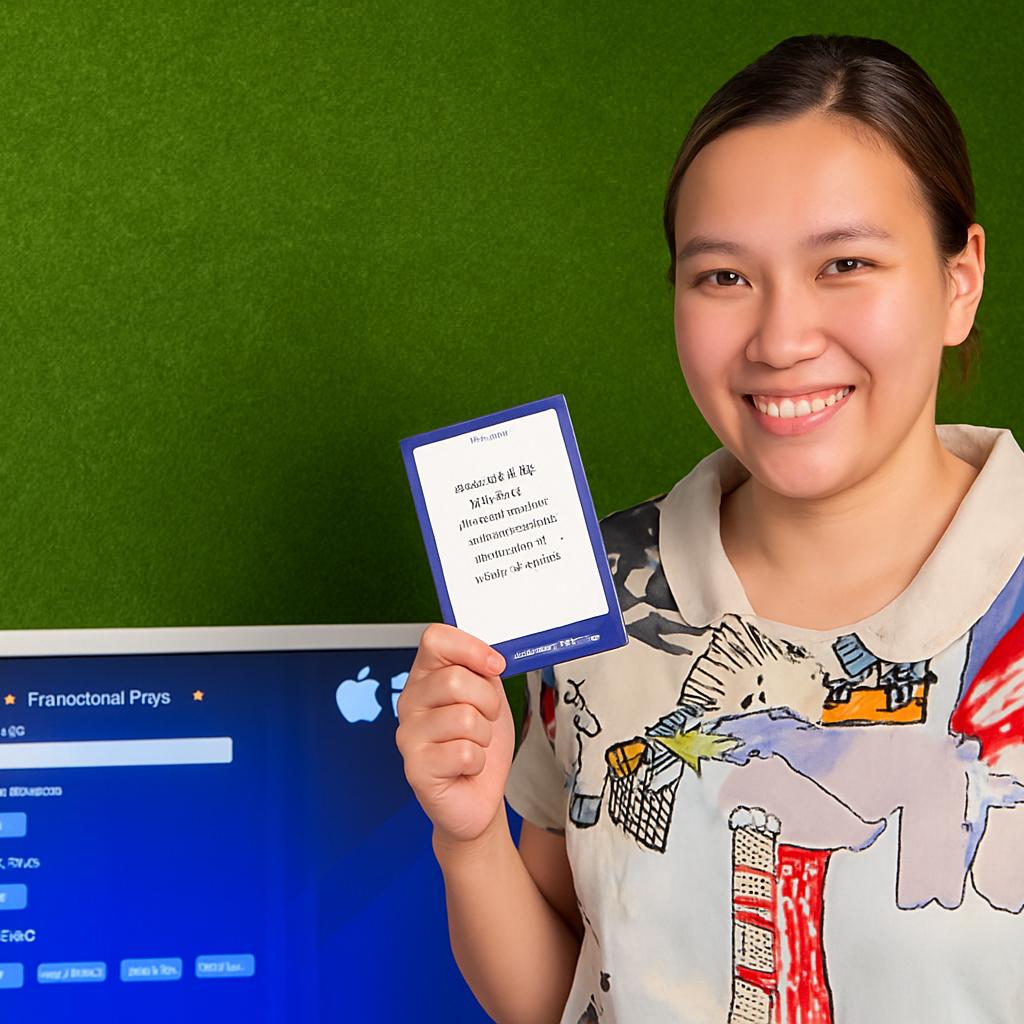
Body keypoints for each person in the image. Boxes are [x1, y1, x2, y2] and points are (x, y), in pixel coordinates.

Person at [395, 33, 1024, 1023]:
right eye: (723, 277)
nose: (779, 339)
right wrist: (467, 835)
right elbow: (564, 992)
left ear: (959, 280)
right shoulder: (603, 589)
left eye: (845, 263)